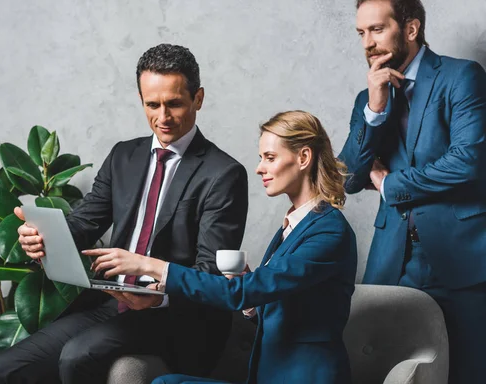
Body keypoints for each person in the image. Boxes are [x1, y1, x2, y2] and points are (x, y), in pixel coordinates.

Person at [0, 44, 249, 384]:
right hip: (111, 304)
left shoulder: (224, 174)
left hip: (177, 318)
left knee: (77, 356)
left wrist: (155, 298)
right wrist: (42, 237)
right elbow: (84, 222)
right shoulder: (124, 156)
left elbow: (210, 272)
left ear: (198, 98)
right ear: (141, 99)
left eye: (174, 103)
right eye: (152, 104)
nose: (162, 116)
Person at [86, 110, 358, 384]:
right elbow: (275, 304)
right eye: (261, 157)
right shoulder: (294, 225)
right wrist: (252, 305)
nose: (259, 168)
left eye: (270, 158)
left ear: (303, 158)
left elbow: (238, 294)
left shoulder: (329, 231)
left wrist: (149, 265)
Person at [338, 0, 486, 382]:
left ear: (411, 28)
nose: (368, 43)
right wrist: (375, 107)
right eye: (361, 33)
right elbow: (347, 179)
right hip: (392, 261)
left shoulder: (461, 77)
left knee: (467, 373)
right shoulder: (368, 98)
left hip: (461, 260)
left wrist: (391, 185)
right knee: (384, 372)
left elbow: (466, 161)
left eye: (377, 29)